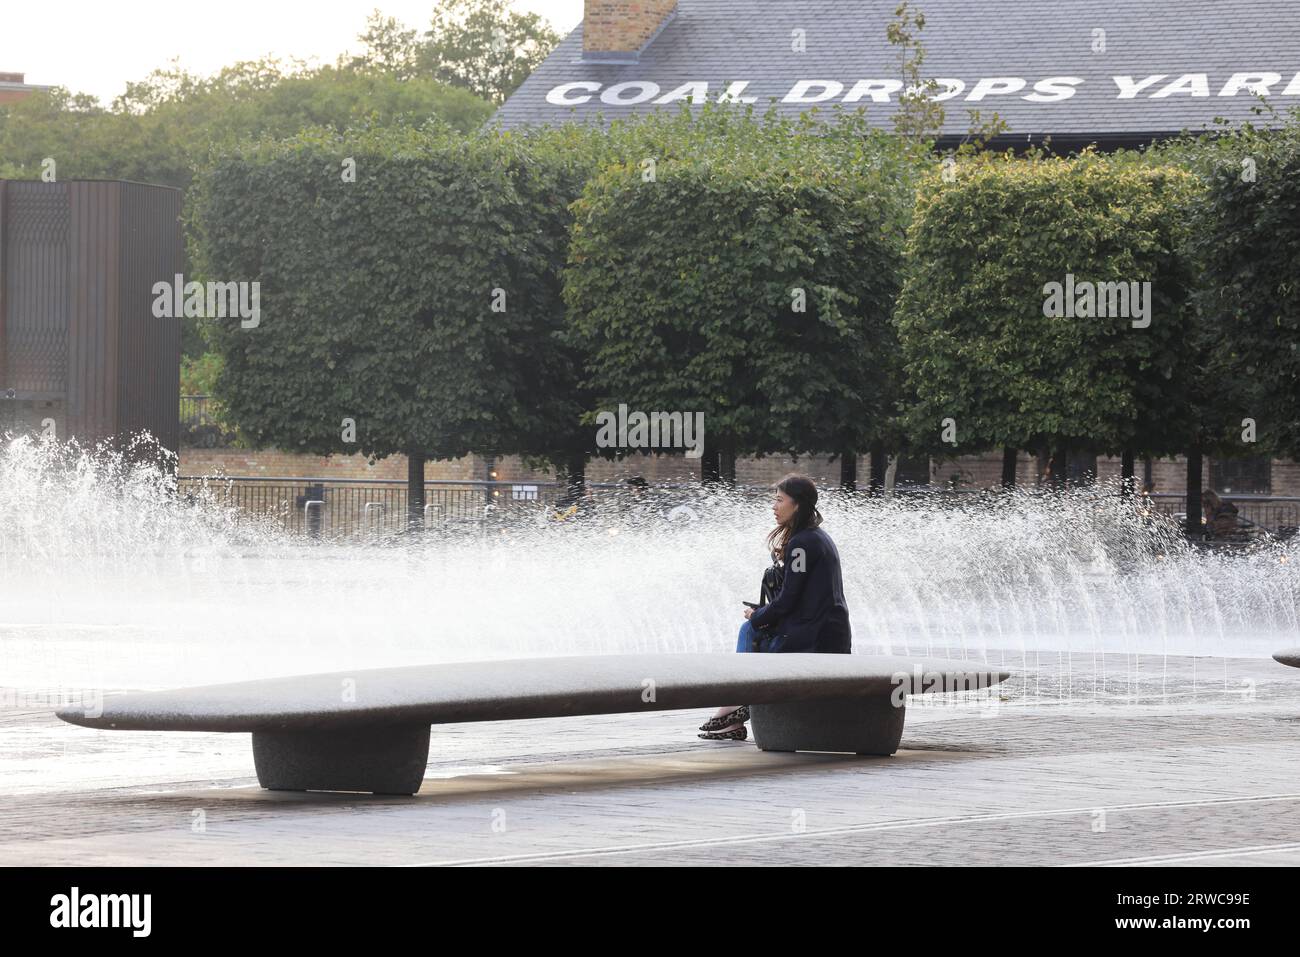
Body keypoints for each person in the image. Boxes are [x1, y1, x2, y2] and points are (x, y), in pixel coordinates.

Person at [698, 473, 852, 741]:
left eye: (780, 500)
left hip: (815, 638)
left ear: (798, 505)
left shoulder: (802, 543)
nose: (774, 506)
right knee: (753, 628)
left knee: (749, 629)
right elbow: (797, 597)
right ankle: (735, 706)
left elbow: (789, 599)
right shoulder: (815, 538)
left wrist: (758, 615)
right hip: (825, 632)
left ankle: (736, 703)